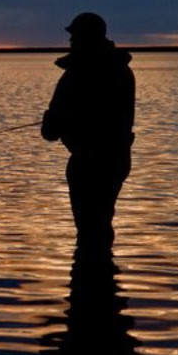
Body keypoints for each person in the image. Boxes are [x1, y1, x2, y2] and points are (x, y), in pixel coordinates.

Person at [41, 13, 135, 255]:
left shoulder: (75, 74)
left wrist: (52, 121)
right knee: (101, 226)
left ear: (84, 38)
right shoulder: (122, 71)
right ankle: (103, 283)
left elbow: (50, 132)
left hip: (88, 164)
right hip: (117, 160)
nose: (70, 41)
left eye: (74, 36)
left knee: (89, 231)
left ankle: (89, 285)